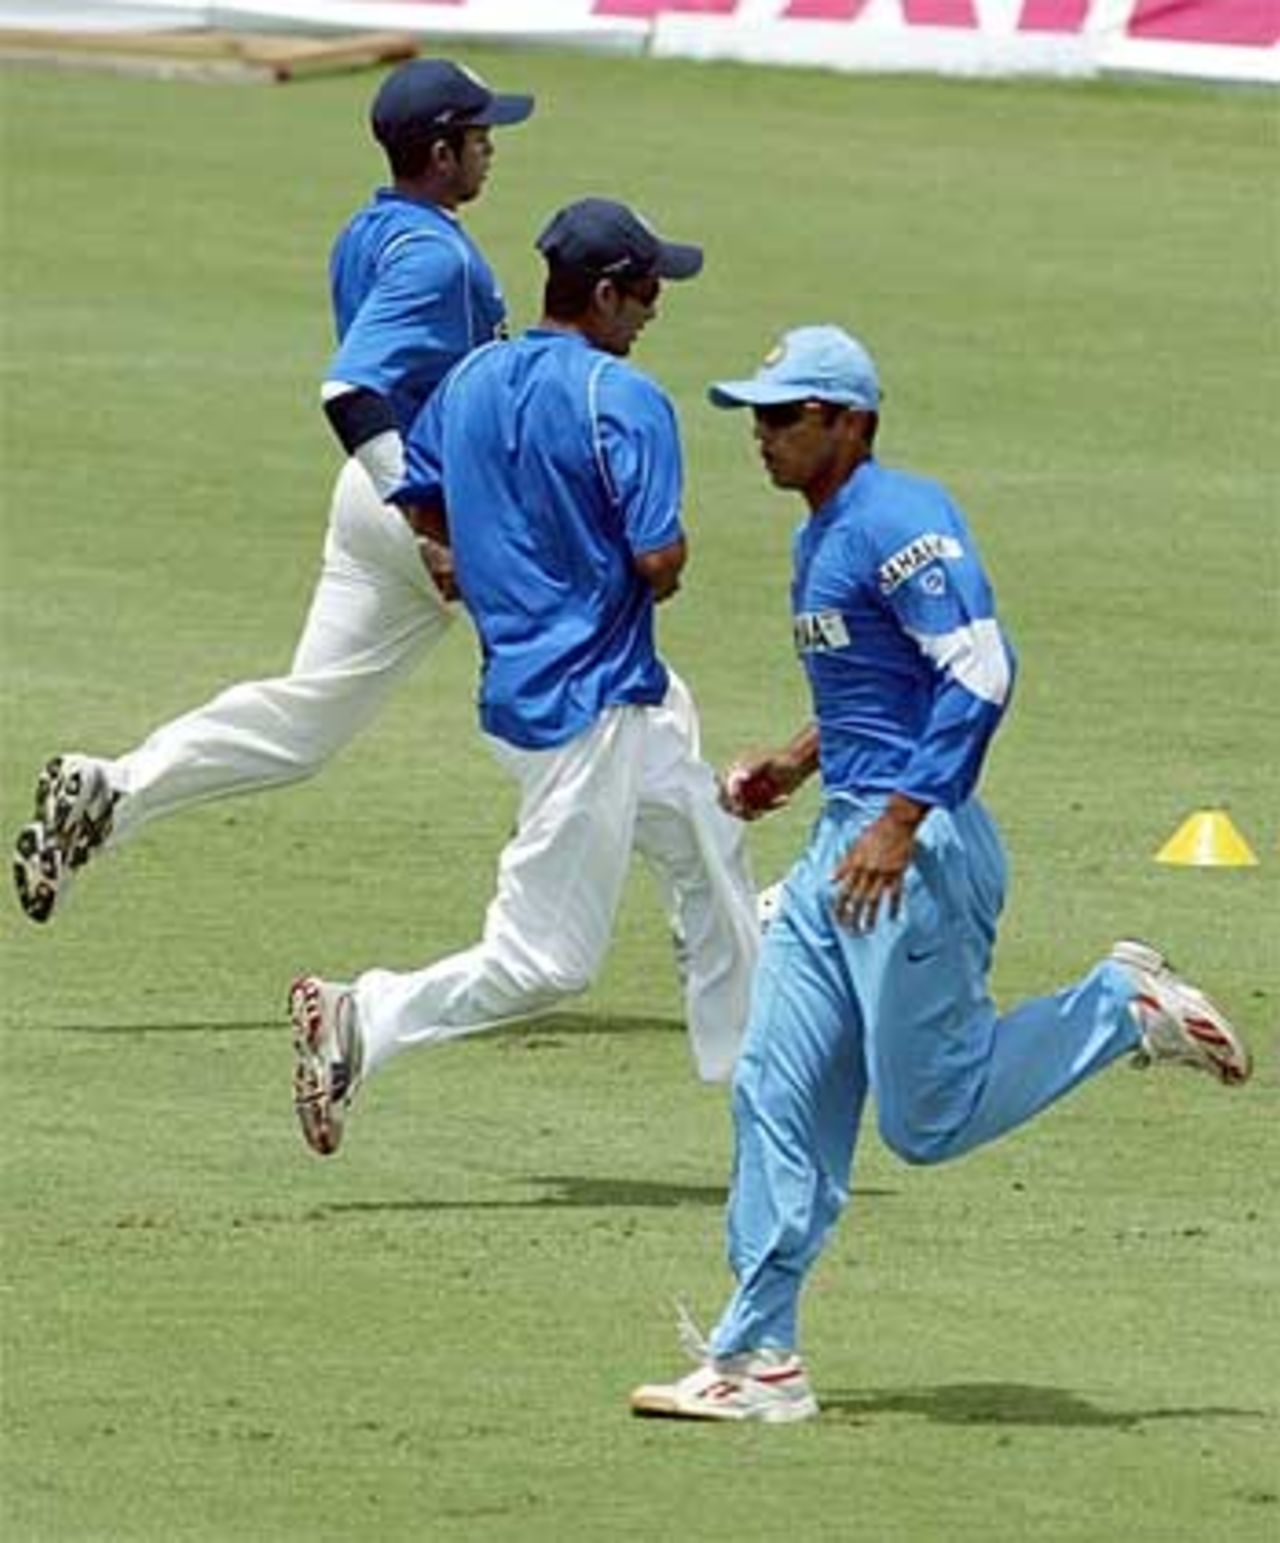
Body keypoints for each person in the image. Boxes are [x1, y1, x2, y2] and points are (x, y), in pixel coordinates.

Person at [629, 325, 1253, 1424]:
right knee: (775, 1088)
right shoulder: (820, 534)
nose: (760, 436)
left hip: (910, 851)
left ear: (851, 423)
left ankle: (1119, 1004)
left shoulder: (898, 519)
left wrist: (901, 819)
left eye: (786, 415)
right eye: (755, 415)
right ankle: (759, 1356)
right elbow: (879, 686)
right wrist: (793, 758)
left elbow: (979, 667)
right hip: (844, 846)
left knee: (927, 1118)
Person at [288, 198, 760, 1157]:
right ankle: (365, 1017)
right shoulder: (624, 399)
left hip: (549, 687)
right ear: (601, 292)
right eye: (645, 290)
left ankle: (757, 1072)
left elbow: (419, 504)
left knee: (707, 845)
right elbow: (661, 560)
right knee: (545, 964)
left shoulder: (470, 380)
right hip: (581, 708)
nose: (655, 308)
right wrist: (604, 571)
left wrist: (500, 564)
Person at [13, 58, 534, 923]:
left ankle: (115, 787)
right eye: (481, 135)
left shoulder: (371, 230)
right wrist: (430, 520)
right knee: (592, 695)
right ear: (441, 151)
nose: (492, 149)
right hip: (429, 504)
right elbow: (351, 388)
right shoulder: (435, 258)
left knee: (303, 723)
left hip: (371, 502)